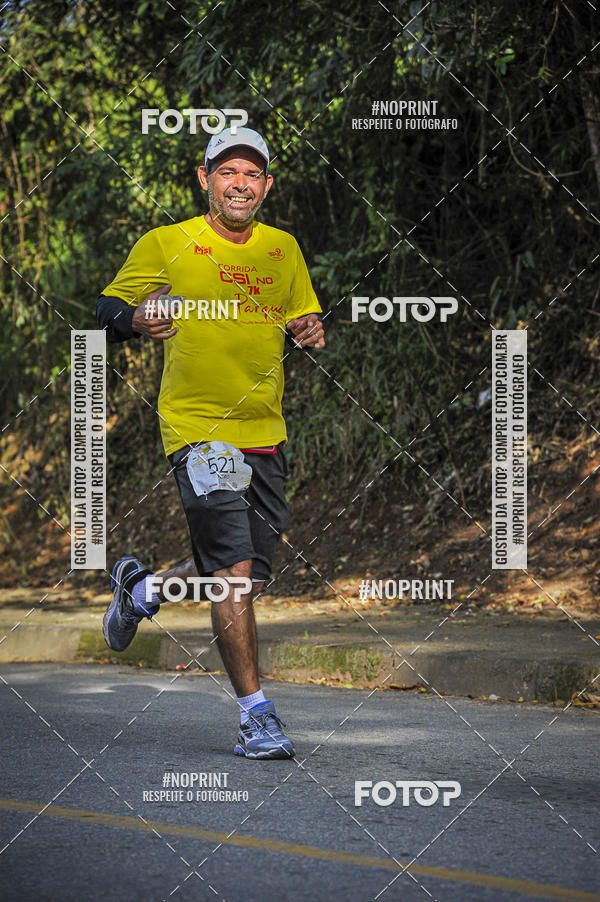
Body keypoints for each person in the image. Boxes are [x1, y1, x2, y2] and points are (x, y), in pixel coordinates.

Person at [96, 126, 325, 759]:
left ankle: (142, 590)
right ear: (205, 179)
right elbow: (105, 310)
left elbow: (299, 315)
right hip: (198, 428)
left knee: (244, 574)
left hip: (265, 430)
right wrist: (136, 319)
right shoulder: (167, 243)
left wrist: (307, 328)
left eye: (252, 174)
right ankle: (257, 716)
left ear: (267, 185)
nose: (239, 184)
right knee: (233, 574)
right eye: (228, 172)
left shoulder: (283, 249)